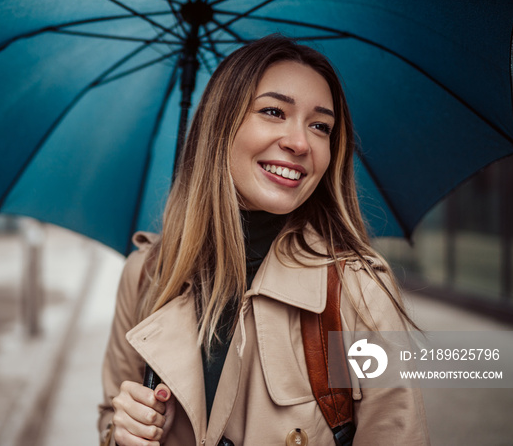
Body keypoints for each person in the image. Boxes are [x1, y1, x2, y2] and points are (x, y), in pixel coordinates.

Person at [98, 35, 429, 446]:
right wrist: (123, 430)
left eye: (320, 126)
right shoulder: (146, 274)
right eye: (274, 111)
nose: (300, 143)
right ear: (220, 125)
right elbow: (108, 416)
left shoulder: (357, 295)